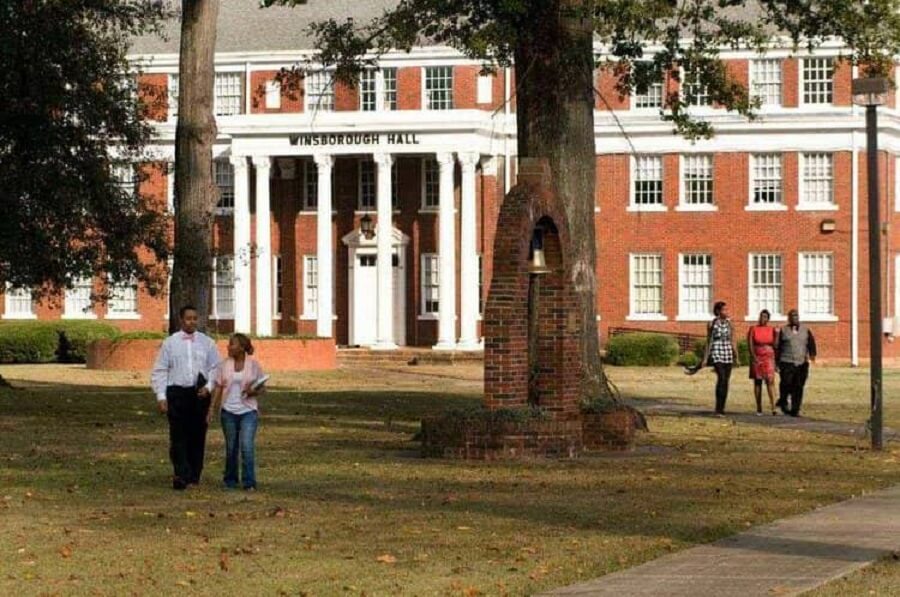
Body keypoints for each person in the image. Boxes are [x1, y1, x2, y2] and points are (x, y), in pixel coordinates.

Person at [150, 305, 221, 490]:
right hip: (177, 393)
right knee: (178, 436)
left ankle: (194, 475)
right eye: (188, 318)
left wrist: (209, 386)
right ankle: (181, 474)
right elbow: (160, 369)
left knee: (197, 436)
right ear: (181, 320)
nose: (192, 321)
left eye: (195, 318)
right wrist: (161, 395)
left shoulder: (207, 343)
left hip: (198, 394)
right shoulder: (170, 343)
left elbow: (216, 368)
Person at [209, 333, 265, 490]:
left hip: (248, 411)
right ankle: (230, 480)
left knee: (247, 446)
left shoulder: (253, 365)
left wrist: (253, 391)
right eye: (228, 344)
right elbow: (219, 387)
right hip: (228, 411)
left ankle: (249, 482)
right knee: (231, 447)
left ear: (242, 347)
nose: (228, 347)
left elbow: (262, 387)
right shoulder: (224, 365)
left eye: (232, 344)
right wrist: (211, 409)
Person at [776, 309, 817, 417]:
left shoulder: (805, 330)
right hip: (786, 362)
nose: (795, 318)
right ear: (789, 318)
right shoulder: (783, 330)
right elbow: (778, 347)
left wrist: (812, 354)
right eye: (792, 316)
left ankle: (795, 409)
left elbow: (811, 343)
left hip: (801, 363)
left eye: (796, 316)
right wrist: (777, 362)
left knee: (799, 386)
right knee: (786, 383)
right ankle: (783, 401)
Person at [701, 301, 740, 416]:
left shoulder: (730, 323)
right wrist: (705, 358)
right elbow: (709, 341)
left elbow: (733, 340)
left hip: (727, 352)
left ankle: (722, 407)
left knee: (726, 381)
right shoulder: (712, 323)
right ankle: (718, 408)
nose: (726, 312)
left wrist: (736, 356)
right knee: (721, 378)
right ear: (718, 311)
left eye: (727, 310)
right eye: (724, 310)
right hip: (717, 351)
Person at [748, 309, 779, 416]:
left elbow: (775, 345)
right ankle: (759, 407)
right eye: (761, 317)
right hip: (757, 355)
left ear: (768, 319)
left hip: (769, 356)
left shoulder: (771, 329)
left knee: (770, 380)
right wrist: (753, 357)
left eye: (765, 317)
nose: (762, 319)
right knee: (758, 382)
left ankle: (773, 406)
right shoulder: (753, 329)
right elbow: (750, 344)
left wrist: (777, 334)